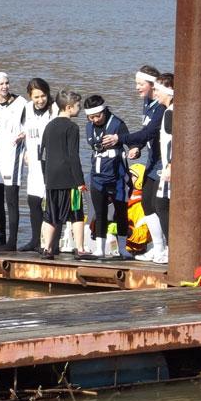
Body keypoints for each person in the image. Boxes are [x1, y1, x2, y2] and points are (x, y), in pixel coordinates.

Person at [101, 65, 166, 258]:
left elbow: (150, 131)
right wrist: (138, 147)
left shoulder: (162, 106)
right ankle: (158, 247)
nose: (137, 87)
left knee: (158, 205)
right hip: (153, 159)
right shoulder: (147, 102)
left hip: (164, 161)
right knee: (147, 203)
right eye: (136, 83)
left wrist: (120, 139)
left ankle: (165, 249)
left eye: (140, 84)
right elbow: (146, 134)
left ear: (153, 85)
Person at [83, 94, 132, 259]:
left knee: (121, 212)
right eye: (91, 117)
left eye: (98, 116)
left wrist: (134, 149)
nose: (95, 119)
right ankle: (100, 249)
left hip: (118, 176)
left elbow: (131, 143)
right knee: (100, 212)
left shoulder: (118, 124)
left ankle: (123, 249)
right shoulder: (89, 126)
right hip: (97, 176)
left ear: (104, 110)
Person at [39, 90, 86, 261]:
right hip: (69, 179)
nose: (79, 109)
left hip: (51, 178)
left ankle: (47, 248)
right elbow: (73, 156)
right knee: (76, 212)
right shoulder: (72, 127)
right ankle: (80, 249)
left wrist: (46, 176)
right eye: (78, 106)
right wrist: (80, 181)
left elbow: (41, 153)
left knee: (51, 213)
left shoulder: (49, 125)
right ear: (68, 107)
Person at [0, 71, 27, 251]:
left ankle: (12, 241)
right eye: (1, 84)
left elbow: (31, 124)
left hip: (12, 156)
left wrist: (25, 135)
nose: (5, 87)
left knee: (11, 200)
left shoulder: (21, 103)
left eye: (7, 83)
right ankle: (0, 238)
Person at [136, 73, 174, 264]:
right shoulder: (165, 109)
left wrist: (170, 164)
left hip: (166, 167)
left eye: (158, 89)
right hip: (162, 165)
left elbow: (177, 142)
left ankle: (170, 249)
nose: (156, 93)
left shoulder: (169, 112)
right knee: (155, 204)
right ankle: (162, 248)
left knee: (162, 205)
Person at [20, 78, 56, 252]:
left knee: (51, 203)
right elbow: (27, 131)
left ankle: (51, 243)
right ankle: (35, 239)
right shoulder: (27, 108)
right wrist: (25, 148)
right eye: (36, 97)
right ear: (30, 97)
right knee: (33, 200)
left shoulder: (54, 109)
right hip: (34, 161)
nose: (40, 100)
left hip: (51, 161)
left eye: (43, 96)